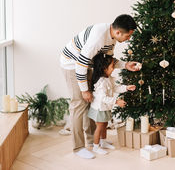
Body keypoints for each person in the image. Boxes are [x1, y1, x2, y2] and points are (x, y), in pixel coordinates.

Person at [60, 14, 140, 159]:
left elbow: (106, 61)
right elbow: (80, 64)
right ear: (118, 32)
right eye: (128, 36)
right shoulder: (98, 38)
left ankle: (93, 141)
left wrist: (125, 65)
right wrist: (84, 90)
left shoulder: (112, 38)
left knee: (92, 102)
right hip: (72, 64)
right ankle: (78, 148)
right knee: (79, 103)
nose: (128, 39)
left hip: (87, 65)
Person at [88, 53, 136, 155]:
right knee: (99, 127)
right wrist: (116, 101)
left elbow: (115, 88)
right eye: (112, 67)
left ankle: (103, 142)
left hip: (105, 107)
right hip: (99, 108)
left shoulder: (108, 78)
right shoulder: (101, 82)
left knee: (105, 124)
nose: (113, 69)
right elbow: (103, 98)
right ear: (104, 68)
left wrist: (126, 88)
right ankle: (96, 147)